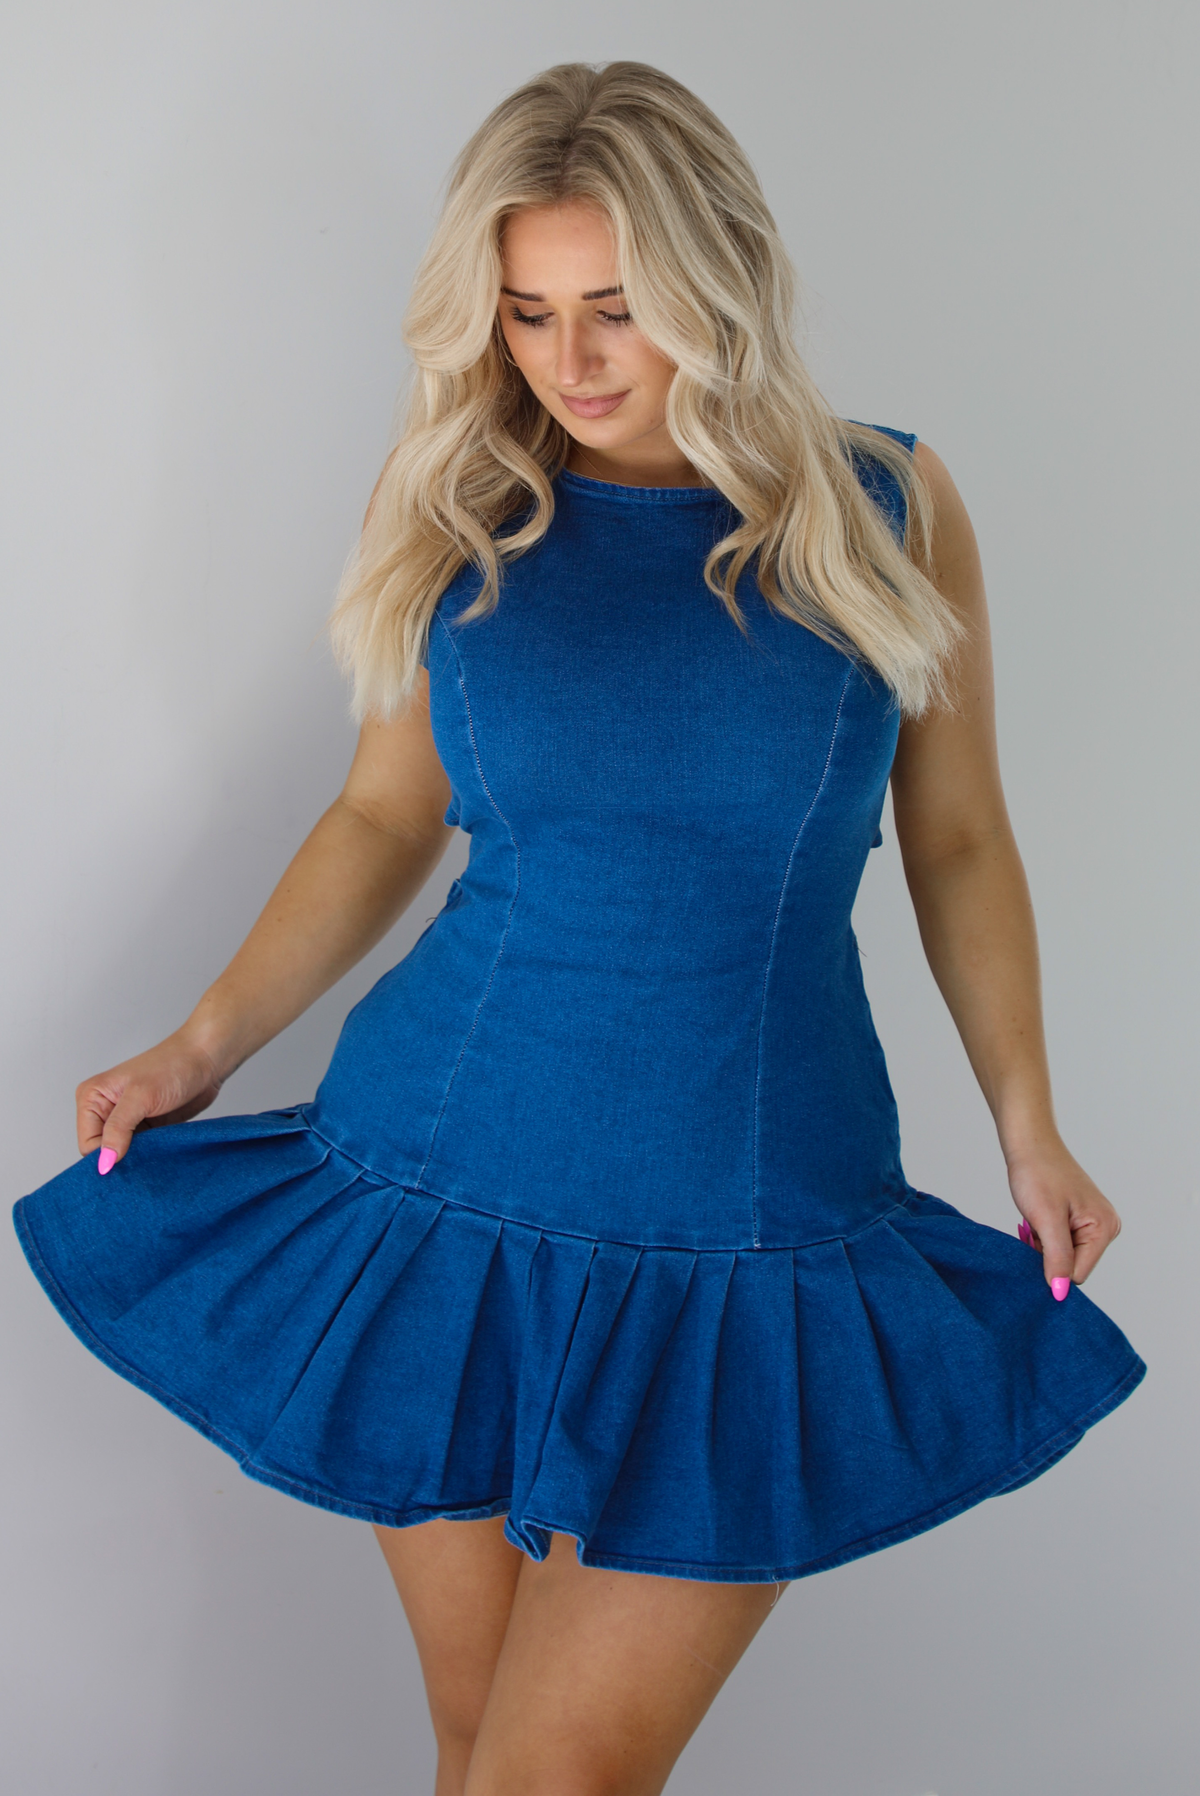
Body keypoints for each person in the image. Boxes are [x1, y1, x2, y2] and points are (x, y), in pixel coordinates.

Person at [13, 59, 1144, 1796]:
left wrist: (1029, 1122)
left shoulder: (889, 508)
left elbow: (965, 841)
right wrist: (200, 1044)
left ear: (721, 282)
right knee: (481, 1751)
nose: (572, 358)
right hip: (447, 1191)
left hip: (747, 1221)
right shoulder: (467, 512)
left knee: (565, 1775)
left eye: (617, 307)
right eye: (529, 314)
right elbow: (386, 815)